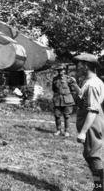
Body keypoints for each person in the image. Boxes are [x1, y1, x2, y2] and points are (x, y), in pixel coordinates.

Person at [72, 53, 104, 191]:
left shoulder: (92, 85)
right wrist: (74, 87)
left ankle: (99, 187)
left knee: (93, 157)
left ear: (85, 66)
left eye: (78, 66)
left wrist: (83, 132)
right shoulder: (88, 82)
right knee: (91, 155)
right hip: (90, 124)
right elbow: (82, 102)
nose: (77, 68)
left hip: (91, 125)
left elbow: (92, 110)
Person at [51, 63, 76, 137]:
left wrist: (69, 97)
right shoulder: (55, 79)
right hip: (58, 100)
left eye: (61, 70)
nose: (59, 71)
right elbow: (54, 89)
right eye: (58, 70)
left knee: (67, 116)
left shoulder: (69, 79)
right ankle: (58, 130)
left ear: (64, 70)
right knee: (57, 115)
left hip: (67, 100)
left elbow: (73, 90)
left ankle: (66, 131)